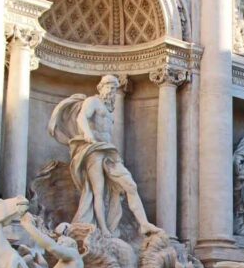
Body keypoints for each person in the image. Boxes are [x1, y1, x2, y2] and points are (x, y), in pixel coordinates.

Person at [48, 75, 163, 238]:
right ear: (100, 87)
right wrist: (88, 135)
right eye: (108, 86)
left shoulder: (109, 109)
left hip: (109, 151)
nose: (111, 90)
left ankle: (143, 224)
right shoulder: (93, 101)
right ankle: (103, 229)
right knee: (98, 192)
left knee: (130, 185)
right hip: (94, 150)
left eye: (114, 88)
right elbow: (82, 118)